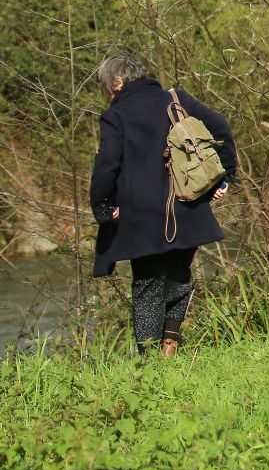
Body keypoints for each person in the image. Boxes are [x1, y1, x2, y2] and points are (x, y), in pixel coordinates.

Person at [88, 52, 238, 355]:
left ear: (116, 83)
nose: (106, 93)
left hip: (141, 218)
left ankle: (148, 361)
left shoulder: (116, 116)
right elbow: (221, 129)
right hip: (188, 206)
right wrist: (223, 179)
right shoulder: (176, 99)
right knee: (180, 274)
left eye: (105, 86)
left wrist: (103, 208)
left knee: (147, 286)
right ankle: (170, 344)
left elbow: (106, 165)